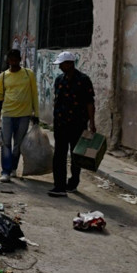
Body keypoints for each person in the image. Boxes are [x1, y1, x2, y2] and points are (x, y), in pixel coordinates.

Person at [48, 51, 96, 197]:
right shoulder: (59, 80)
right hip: (61, 124)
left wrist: (92, 122)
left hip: (77, 124)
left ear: (69, 64)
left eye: (62, 64)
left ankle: (73, 182)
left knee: (76, 156)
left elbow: (90, 102)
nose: (60, 67)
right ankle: (59, 186)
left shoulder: (83, 80)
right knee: (59, 155)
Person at [0, 49, 39, 182]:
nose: (14, 62)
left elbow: (34, 94)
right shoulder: (3, 76)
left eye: (16, 59)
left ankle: (13, 169)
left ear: (20, 60)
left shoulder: (29, 74)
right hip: (8, 114)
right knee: (5, 143)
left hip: (24, 115)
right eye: (11, 59)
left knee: (18, 144)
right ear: (8, 61)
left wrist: (36, 114)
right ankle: (5, 171)